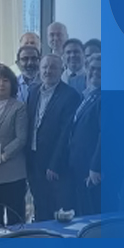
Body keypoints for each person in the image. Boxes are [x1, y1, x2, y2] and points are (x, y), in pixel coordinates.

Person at [26, 55, 81, 221]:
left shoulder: (70, 95)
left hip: (55, 164)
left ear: (61, 70)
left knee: (58, 208)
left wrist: (54, 164)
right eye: (44, 67)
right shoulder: (33, 91)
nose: (48, 71)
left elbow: (66, 133)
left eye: (53, 67)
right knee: (39, 206)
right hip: (34, 159)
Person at [0, 66, 29, 226]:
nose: (1, 84)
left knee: (15, 217)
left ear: (12, 84)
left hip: (13, 171)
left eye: (5, 80)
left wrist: (3, 156)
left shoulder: (19, 107)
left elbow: (21, 138)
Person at [69, 54, 102, 215]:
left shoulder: (106, 97)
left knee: (95, 215)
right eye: (92, 68)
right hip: (80, 165)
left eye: (100, 69)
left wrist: (96, 167)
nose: (95, 72)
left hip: (93, 170)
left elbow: (105, 135)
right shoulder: (88, 95)